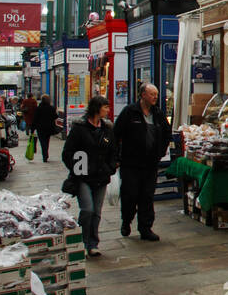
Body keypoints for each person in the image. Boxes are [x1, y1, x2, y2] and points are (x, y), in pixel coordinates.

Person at [113, 82, 172, 241]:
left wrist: (160, 152)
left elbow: (167, 133)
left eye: (156, 95)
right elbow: (116, 134)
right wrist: (117, 157)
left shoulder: (158, 114)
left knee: (147, 196)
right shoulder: (129, 112)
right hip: (130, 163)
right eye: (152, 94)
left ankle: (145, 228)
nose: (155, 97)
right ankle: (126, 221)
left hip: (150, 164)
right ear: (143, 95)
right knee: (130, 195)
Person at [63, 96, 117, 258]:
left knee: (97, 213)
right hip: (83, 177)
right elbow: (67, 152)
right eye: (105, 107)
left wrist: (110, 167)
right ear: (97, 108)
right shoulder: (80, 128)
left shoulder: (107, 128)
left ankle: (93, 243)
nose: (108, 110)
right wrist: (77, 168)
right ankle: (82, 241)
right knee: (87, 209)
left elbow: (114, 151)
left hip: (101, 177)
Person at [33, 94, 59, 162]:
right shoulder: (51, 108)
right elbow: (55, 116)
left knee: (42, 141)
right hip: (49, 127)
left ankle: (45, 155)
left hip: (40, 128)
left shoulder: (38, 108)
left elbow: (35, 118)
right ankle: (45, 154)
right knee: (47, 141)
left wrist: (33, 128)